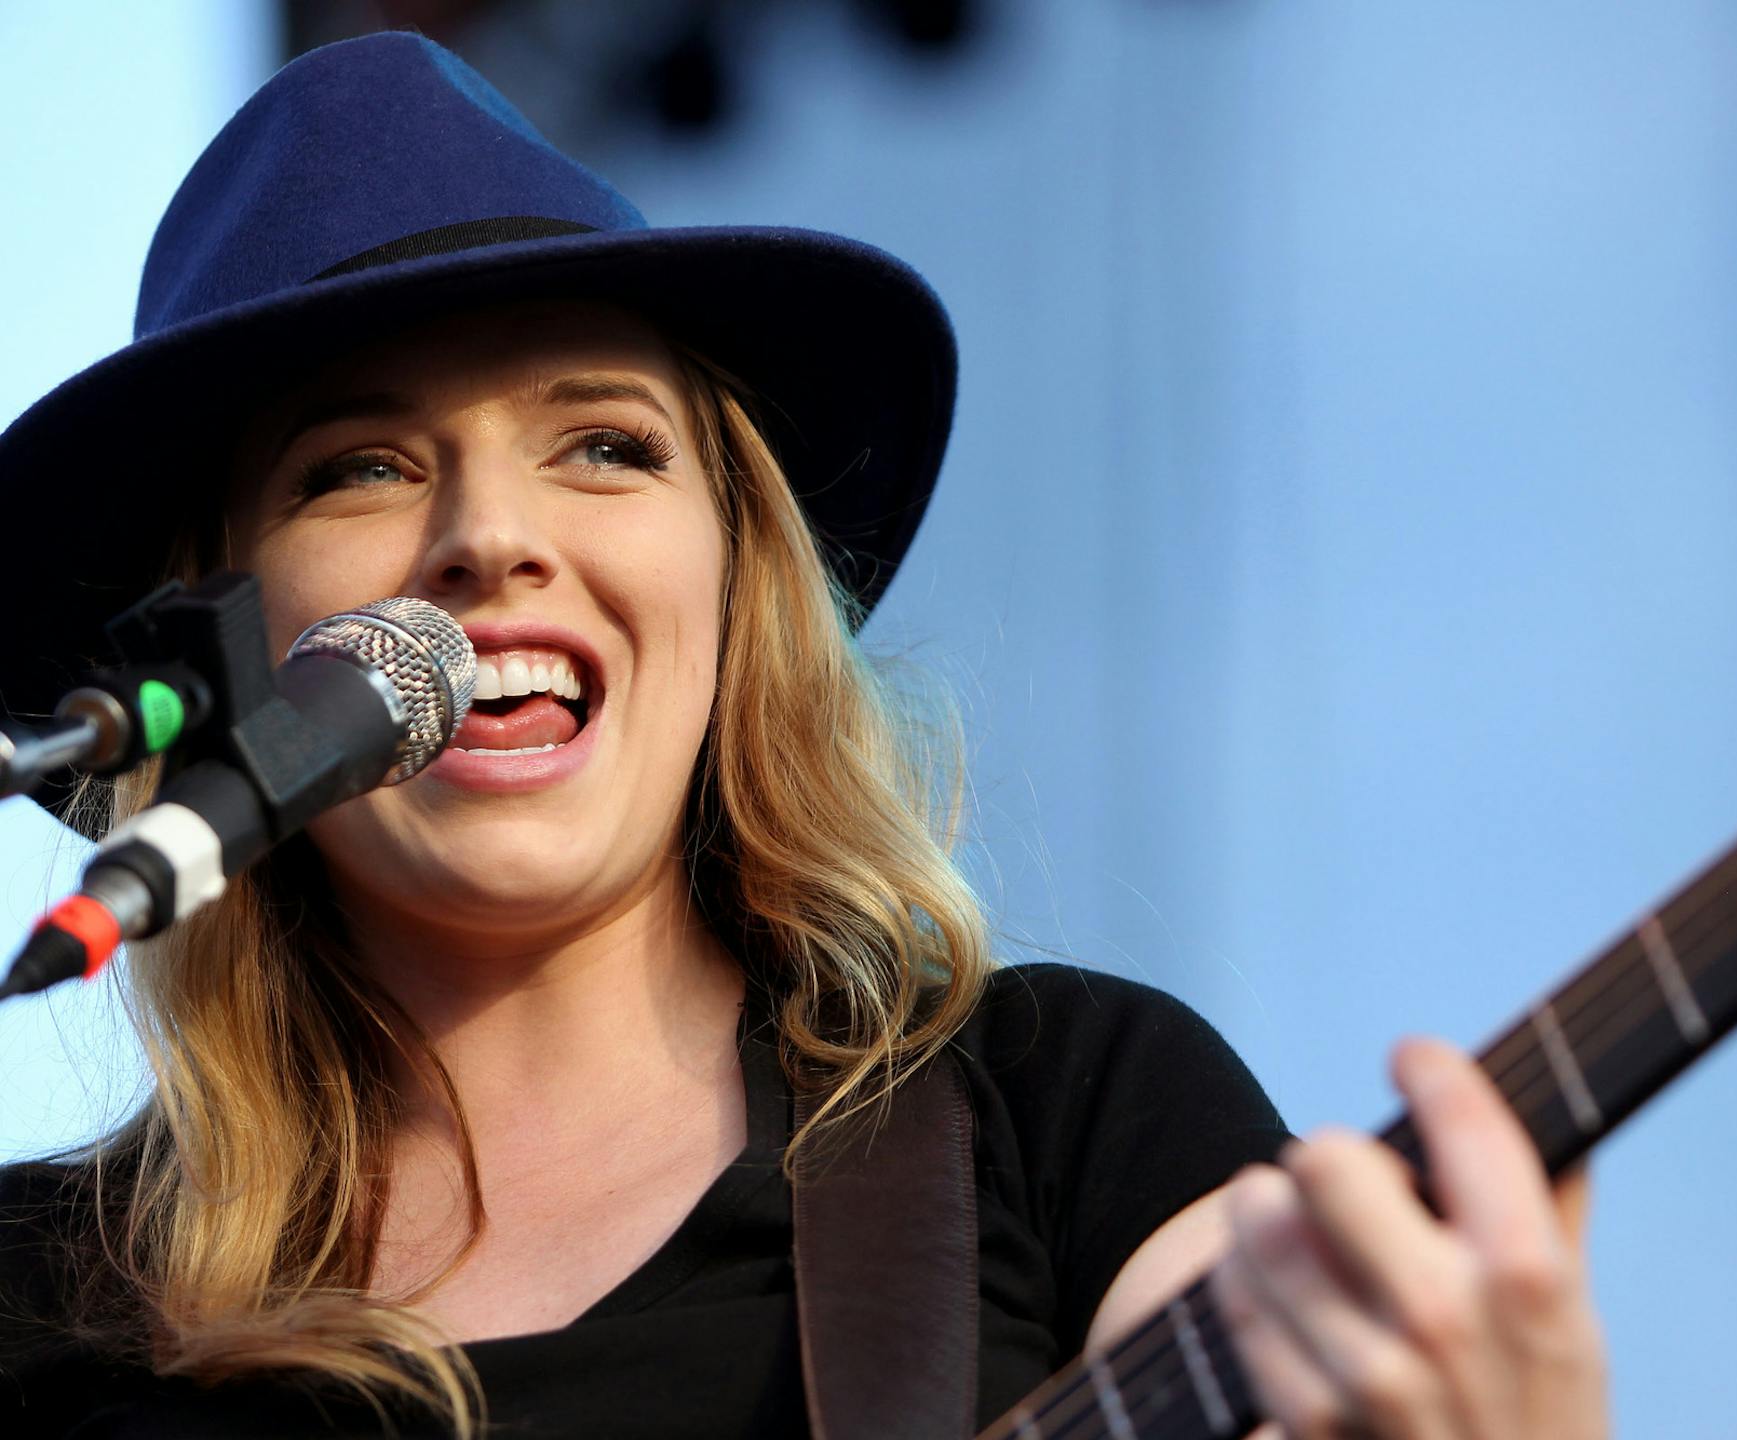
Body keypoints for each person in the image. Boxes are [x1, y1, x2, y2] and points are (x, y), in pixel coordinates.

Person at [0, 32, 1607, 1440]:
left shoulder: (1062, 1120)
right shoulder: (33, 1299)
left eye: (605, 445)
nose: (490, 536)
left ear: (732, 584)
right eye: (356, 469)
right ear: (211, 647)